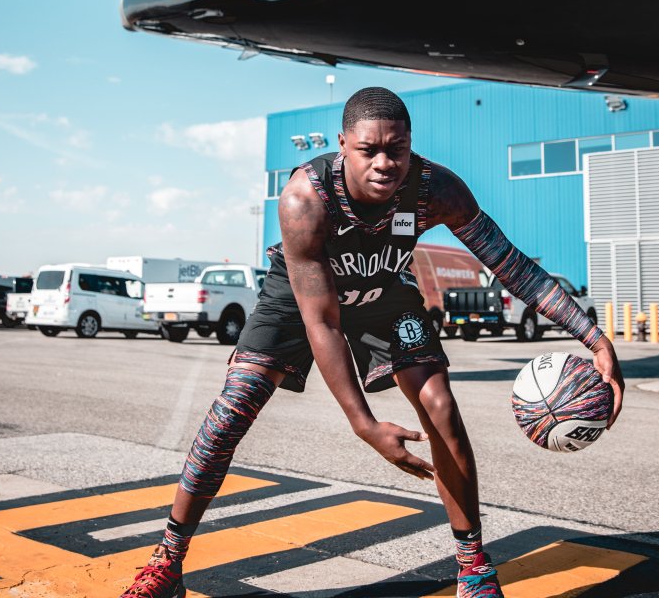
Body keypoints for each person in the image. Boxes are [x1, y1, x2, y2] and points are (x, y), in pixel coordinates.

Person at [119, 87, 624, 598]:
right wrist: (364, 424)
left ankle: (473, 568)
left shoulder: (435, 188)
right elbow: (323, 323)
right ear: (343, 145)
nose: (385, 163)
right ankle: (167, 562)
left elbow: (510, 264)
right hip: (303, 295)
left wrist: (594, 338)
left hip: (384, 289)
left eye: (396, 149)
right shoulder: (305, 199)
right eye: (368, 150)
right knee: (233, 407)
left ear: (410, 143)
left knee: (440, 404)